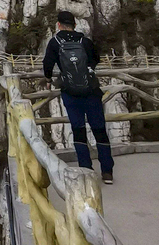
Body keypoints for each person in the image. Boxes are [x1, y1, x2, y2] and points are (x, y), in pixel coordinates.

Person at [43, 10, 114, 184]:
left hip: (71, 93)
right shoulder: (85, 41)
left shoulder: (55, 42)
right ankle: (107, 172)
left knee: (78, 130)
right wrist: (87, 70)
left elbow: (47, 64)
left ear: (58, 25)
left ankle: (86, 171)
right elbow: (96, 58)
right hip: (91, 92)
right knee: (99, 130)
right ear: (75, 25)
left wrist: (48, 79)